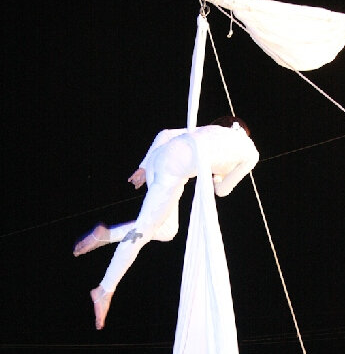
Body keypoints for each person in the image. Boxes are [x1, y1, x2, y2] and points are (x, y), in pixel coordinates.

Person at [73, 116, 259, 330]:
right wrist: (218, 177)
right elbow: (223, 191)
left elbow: (165, 134)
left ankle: (108, 236)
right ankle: (104, 290)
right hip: (172, 170)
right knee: (140, 233)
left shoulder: (212, 130)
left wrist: (143, 167)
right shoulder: (251, 154)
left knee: (169, 230)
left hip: (161, 161)